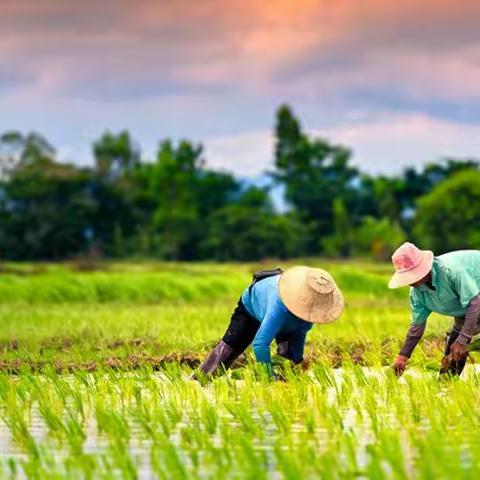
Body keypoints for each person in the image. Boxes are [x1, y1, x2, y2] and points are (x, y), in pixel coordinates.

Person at [196, 266, 344, 378]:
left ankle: (282, 391)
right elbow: (260, 344)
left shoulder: (310, 316)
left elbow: (299, 335)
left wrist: (297, 361)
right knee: (227, 352)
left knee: (288, 362)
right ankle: (197, 382)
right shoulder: (280, 306)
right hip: (251, 308)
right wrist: (269, 377)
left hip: (284, 319)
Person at [389, 242, 480, 376]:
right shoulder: (417, 293)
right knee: (452, 357)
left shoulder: (452, 271)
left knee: (460, 343)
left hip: (476, 301)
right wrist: (403, 356)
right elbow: (416, 327)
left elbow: (475, 303)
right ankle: (447, 387)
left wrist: (463, 339)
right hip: (467, 310)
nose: (409, 281)